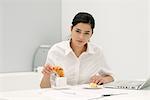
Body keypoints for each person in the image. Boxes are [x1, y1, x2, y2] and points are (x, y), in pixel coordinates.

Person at [40, 12, 114, 88]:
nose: (81, 37)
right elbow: (44, 88)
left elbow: (110, 77)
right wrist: (46, 75)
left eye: (86, 33)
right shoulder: (56, 51)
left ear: (91, 34)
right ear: (71, 29)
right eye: (78, 31)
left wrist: (102, 79)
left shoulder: (97, 52)